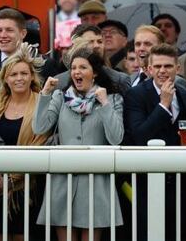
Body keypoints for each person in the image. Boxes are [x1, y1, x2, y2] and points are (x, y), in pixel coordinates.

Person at [33, 47, 124, 239]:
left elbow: (116, 138)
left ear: (95, 72)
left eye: (83, 67)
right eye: (74, 68)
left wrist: (105, 104)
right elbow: (39, 128)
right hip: (62, 181)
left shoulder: (113, 99)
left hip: (96, 183)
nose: (76, 72)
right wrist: (45, 94)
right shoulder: (60, 96)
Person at [123, 43, 186, 240]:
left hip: (181, 181)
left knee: (179, 232)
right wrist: (164, 105)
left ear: (177, 68)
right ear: (148, 69)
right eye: (157, 67)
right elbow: (140, 136)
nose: (162, 71)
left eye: (168, 66)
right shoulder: (136, 95)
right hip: (147, 181)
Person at [0, 43, 50, 240]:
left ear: (31, 76)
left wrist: (11, 179)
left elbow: (41, 143)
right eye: (13, 74)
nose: (19, 78)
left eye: (24, 73)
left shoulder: (40, 102)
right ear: (5, 79)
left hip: (28, 188)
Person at [0, 8, 57, 124]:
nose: (3, 35)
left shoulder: (45, 65)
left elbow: (53, 107)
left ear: (23, 33)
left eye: (9, 30)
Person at [54, 25, 131, 94]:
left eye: (100, 41)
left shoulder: (120, 80)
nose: (96, 45)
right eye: (90, 42)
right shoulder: (59, 81)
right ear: (76, 46)